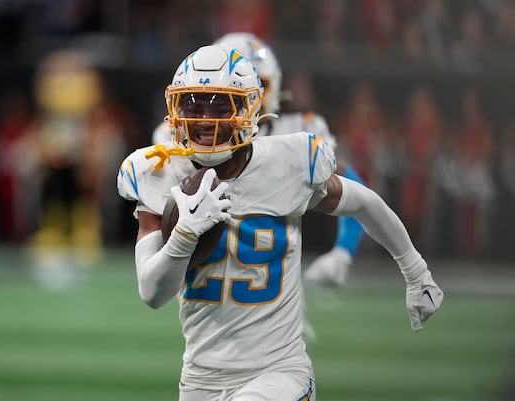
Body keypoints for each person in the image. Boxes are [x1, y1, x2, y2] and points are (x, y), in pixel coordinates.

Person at [118, 45, 444, 401]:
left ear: (248, 109)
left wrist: (416, 273)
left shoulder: (288, 163)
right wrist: (184, 235)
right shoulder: (158, 173)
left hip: (278, 373)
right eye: (193, 105)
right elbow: (152, 293)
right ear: (175, 109)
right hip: (200, 380)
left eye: (220, 105)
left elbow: (363, 202)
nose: (205, 120)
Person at [152, 32, 365, 288]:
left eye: (260, 82)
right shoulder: (185, 134)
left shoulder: (299, 133)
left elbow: (352, 187)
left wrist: (343, 251)